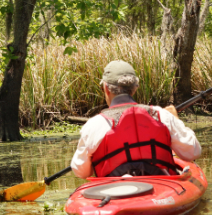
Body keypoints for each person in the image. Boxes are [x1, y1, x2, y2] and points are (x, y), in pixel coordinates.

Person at [70, 60, 201, 179]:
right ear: (135, 88)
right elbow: (192, 152)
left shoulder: (94, 125)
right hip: (160, 186)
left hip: (113, 192)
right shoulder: (161, 115)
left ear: (106, 88)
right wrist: (176, 120)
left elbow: (82, 172)